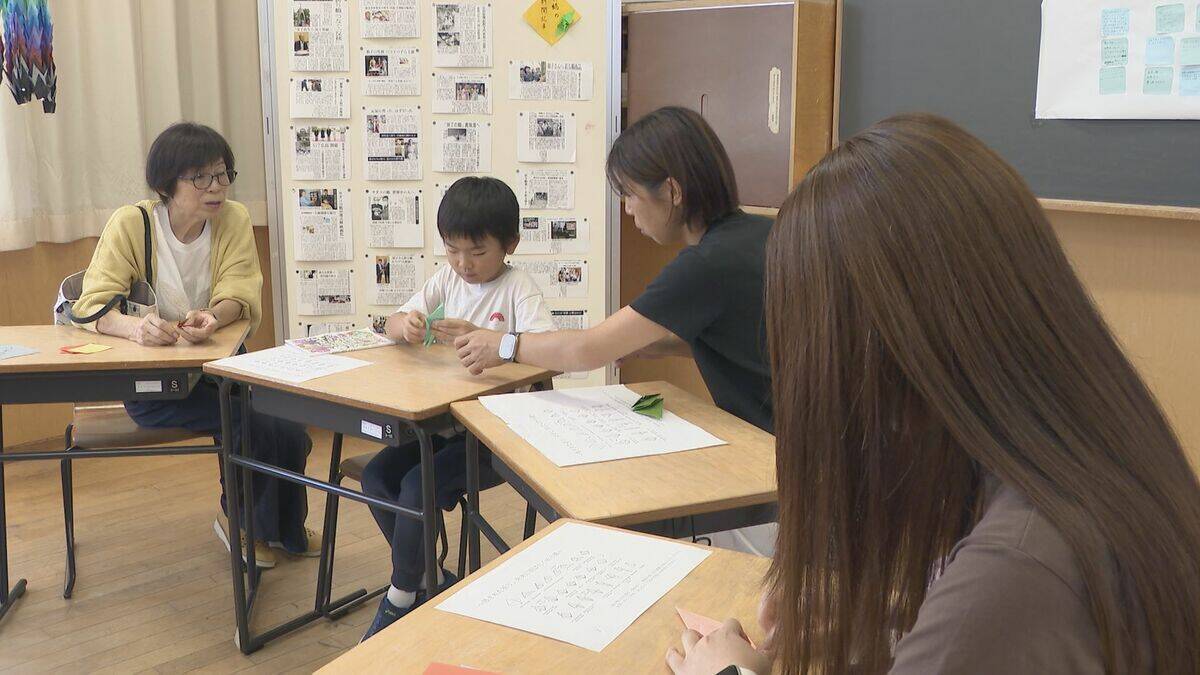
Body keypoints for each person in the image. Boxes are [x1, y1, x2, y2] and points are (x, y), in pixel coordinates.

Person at [664, 114, 1200, 674]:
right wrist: (892, 623)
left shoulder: (1010, 578)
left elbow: (985, 621)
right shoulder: (1096, 447)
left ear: (870, 355)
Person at [73, 122, 320, 571]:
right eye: (201, 177)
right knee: (249, 419)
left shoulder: (233, 219)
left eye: (223, 174)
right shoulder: (133, 224)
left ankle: (286, 529)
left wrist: (214, 316)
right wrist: (137, 330)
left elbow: (240, 289)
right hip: (155, 384)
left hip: (221, 367)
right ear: (168, 183)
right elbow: (93, 305)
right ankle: (242, 524)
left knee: (287, 422)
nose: (217, 188)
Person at [455, 106, 774, 434]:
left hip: (777, 446)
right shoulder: (759, 233)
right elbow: (751, 346)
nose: (629, 209)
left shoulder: (704, 265)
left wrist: (505, 346)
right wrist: (662, 344)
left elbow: (585, 350)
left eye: (630, 194)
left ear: (671, 191)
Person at [359, 176, 556, 642]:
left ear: (510, 244)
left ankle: (401, 598)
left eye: (477, 252)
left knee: (414, 485)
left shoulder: (518, 288)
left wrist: (496, 342)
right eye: (452, 250)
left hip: (492, 436)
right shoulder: (444, 279)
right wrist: (403, 326)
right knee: (376, 478)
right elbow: (389, 322)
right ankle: (428, 580)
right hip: (439, 425)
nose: (463, 264)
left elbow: (548, 350)